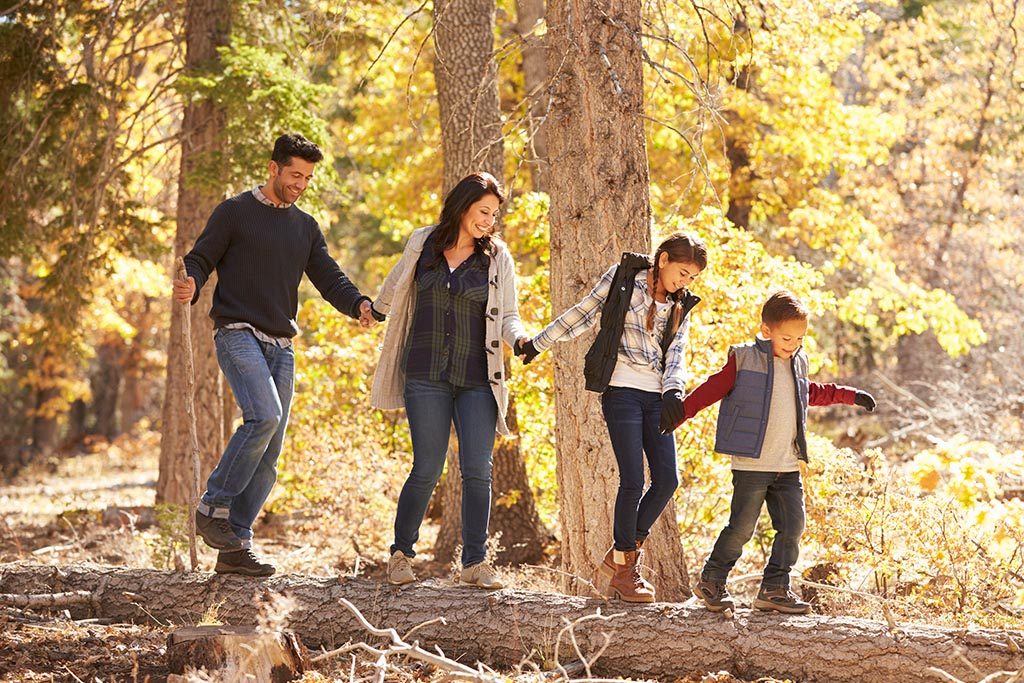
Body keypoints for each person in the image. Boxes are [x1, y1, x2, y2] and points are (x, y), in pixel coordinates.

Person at [172, 133, 375, 577]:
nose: (300, 184)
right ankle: (212, 508)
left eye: (307, 177)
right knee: (263, 416)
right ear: (273, 168)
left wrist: (358, 303)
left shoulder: (304, 227)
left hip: (282, 345)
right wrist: (191, 280)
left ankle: (235, 544)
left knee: (270, 452)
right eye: (294, 174)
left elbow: (329, 277)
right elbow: (201, 258)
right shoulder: (235, 212)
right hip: (238, 331)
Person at [517, 232, 708, 602]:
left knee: (668, 479)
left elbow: (677, 355)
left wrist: (674, 392)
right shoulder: (623, 279)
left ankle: (621, 551)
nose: (685, 282)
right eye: (683, 273)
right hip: (621, 392)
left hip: (656, 397)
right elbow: (584, 313)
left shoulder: (681, 304)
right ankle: (625, 572)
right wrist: (538, 343)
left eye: (692, 278)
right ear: (664, 259)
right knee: (633, 479)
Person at [369, 171, 528, 589]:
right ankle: (401, 555)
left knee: (478, 469)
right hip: (426, 373)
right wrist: (372, 309)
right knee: (427, 467)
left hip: (477, 378)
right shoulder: (424, 243)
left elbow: (508, 315)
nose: (489, 221)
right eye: (483, 212)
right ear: (462, 207)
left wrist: (521, 339)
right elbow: (397, 284)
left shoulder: (497, 257)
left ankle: (475, 563)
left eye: (494, 214)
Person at [676, 289, 876, 614]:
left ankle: (774, 587)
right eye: (786, 338)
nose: (793, 344)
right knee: (742, 526)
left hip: (787, 464)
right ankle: (712, 580)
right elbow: (713, 388)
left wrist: (850, 395)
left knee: (794, 525)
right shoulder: (744, 358)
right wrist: (681, 412)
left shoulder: (798, 362)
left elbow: (813, 392)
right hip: (752, 464)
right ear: (766, 330)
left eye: (799, 339)